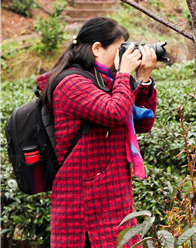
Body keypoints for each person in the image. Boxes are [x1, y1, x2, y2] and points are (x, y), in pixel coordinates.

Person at [36, 17, 159, 247]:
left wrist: (143, 80)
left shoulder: (103, 81)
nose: (123, 56)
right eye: (119, 49)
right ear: (96, 48)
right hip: (84, 207)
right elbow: (115, 113)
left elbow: (142, 124)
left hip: (111, 198)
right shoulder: (71, 83)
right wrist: (124, 74)